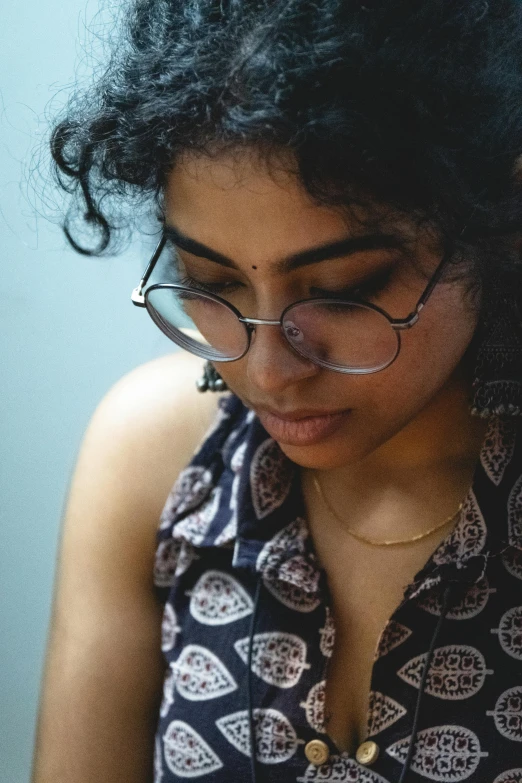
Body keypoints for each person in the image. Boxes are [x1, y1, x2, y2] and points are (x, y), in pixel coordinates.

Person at [32, 1, 522, 781]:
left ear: (498, 218)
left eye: (344, 288)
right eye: (210, 279)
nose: (266, 373)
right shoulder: (155, 466)